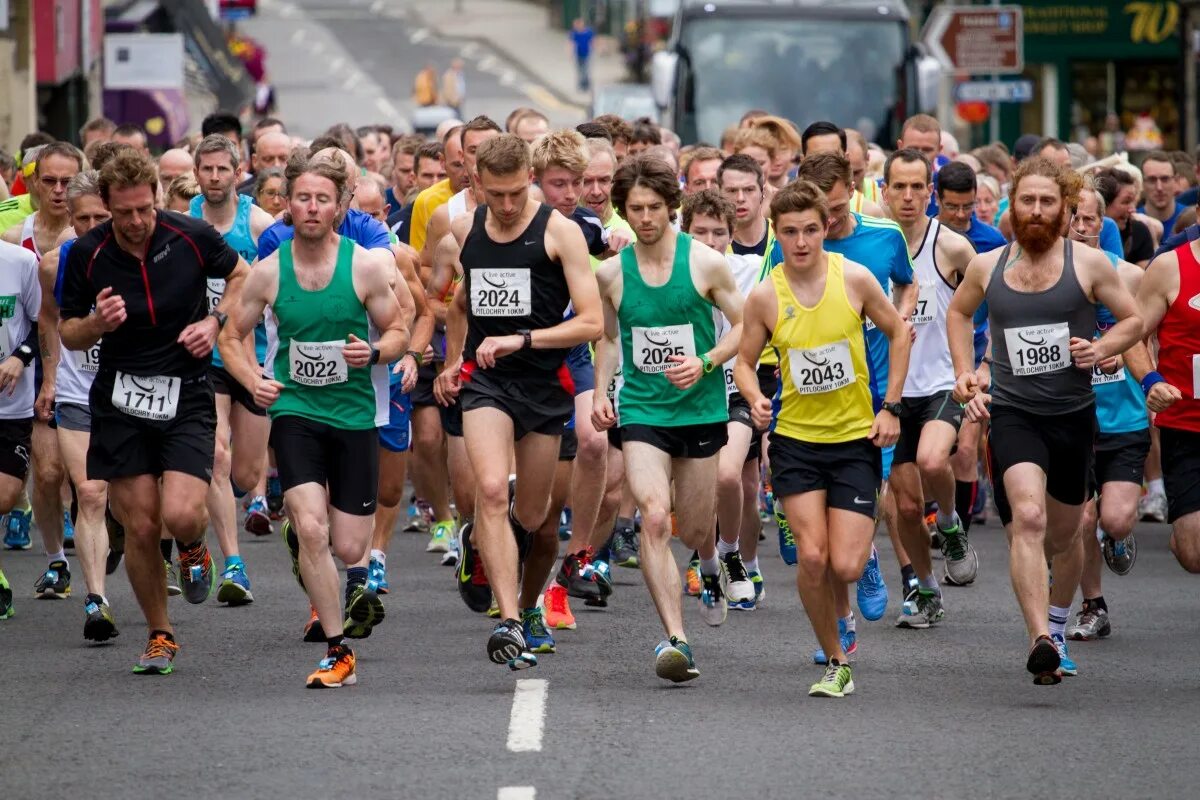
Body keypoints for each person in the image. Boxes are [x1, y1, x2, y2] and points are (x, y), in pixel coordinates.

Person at [947, 156, 1142, 685]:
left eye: (1046, 202)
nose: (1035, 211)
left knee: (1069, 531)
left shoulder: (1090, 266)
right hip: (1013, 414)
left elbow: (1134, 320)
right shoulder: (989, 266)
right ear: (1013, 205)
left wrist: (1101, 347)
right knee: (1027, 519)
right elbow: (960, 312)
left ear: (1065, 209)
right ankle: (1041, 638)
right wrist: (966, 372)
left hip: (1073, 416)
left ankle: (1059, 623)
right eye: (1026, 200)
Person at [219, 151, 409, 688]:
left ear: (338, 206)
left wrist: (373, 355)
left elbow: (397, 331)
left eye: (322, 199)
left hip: (354, 416)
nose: (310, 207)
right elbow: (231, 336)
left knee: (349, 547)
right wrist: (253, 378)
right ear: (287, 205)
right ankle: (336, 648)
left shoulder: (366, 266)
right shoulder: (269, 272)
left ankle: (323, 563)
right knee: (310, 525)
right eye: (301, 197)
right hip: (296, 411)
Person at [60, 148, 251, 675]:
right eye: (124, 213)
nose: (137, 222)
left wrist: (215, 323)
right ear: (106, 205)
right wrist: (96, 323)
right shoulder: (87, 254)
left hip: (185, 390)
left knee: (182, 513)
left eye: (145, 209)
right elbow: (68, 332)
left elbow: (244, 278)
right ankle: (160, 634)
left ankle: (193, 546)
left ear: (158, 199)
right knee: (141, 525)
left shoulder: (188, 235)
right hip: (121, 399)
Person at [734, 179, 910, 698]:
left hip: (855, 438)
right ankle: (836, 658)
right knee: (812, 558)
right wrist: (754, 398)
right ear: (777, 233)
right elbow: (745, 362)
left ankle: (858, 564)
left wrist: (892, 406)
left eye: (811, 229)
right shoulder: (766, 296)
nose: (802, 241)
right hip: (797, 442)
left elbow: (898, 330)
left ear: (826, 227)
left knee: (846, 564)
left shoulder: (854, 279)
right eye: (790, 232)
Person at [434, 134, 601, 669]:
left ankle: (519, 592)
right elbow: (458, 300)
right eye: (495, 194)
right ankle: (509, 623)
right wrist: (451, 362)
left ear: (530, 178)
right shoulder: (461, 230)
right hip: (487, 384)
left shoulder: (560, 232)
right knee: (489, 490)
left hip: (545, 384)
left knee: (532, 517)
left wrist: (522, 339)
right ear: (476, 181)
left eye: (516, 193)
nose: (506, 206)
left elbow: (592, 321)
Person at [592, 155, 744, 682]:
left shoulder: (705, 262)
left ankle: (707, 563)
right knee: (655, 516)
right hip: (643, 409)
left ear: (671, 206)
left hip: (700, 408)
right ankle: (677, 639)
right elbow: (611, 339)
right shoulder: (611, 273)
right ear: (624, 211)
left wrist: (705, 362)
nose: (646, 217)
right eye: (635, 209)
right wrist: (600, 392)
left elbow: (744, 328)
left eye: (655, 206)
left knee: (696, 526)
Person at [792, 151, 914, 660]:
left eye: (840, 210)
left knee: (872, 504)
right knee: (817, 538)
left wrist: (895, 318)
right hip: (811, 409)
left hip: (872, 399)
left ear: (853, 189)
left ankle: (863, 558)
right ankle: (840, 622)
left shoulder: (885, 237)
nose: (834, 222)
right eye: (827, 214)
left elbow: (906, 283)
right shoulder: (793, 246)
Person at [880, 148, 977, 624]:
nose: (908, 195)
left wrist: (977, 370)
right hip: (890, 392)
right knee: (906, 504)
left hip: (940, 382)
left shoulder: (952, 247)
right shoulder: (871, 244)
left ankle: (953, 523)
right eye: (899, 186)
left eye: (918, 186)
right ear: (883, 190)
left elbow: (986, 305)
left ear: (931, 194)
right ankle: (926, 588)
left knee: (933, 460)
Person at [1055, 183, 1150, 643]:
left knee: (1113, 519)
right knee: (1083, 519)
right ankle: (1094, 605)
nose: (1080, 226)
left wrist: (1115, 349)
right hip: (1070, 413)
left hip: (1123, 417)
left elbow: (1144, 336)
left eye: (1089, 218)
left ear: (1102, 224)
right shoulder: (1043, 276)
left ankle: (1120, 533)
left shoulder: (1128, 276)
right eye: (1072, 217)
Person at [187, 134, 277, 604]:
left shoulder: (259, 224)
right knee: (216, 456)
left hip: (252, 356)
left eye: (225, 169)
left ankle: (228, 509)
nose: (216, 177)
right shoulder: (183, 224)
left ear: (239, 172)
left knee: (244, 472)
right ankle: (233, 564)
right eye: (208, 169)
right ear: (196, 172)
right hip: (206, 358)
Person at [36, 170, 116, 639]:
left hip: (133, 392)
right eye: (81, 217)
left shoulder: (144, 258)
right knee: (89, 493)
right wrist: (49, 379)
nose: (90, 225)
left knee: (138, 507)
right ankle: (97, 599)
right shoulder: (55, 263)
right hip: (76, 391)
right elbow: (48, 320)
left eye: (99, 216)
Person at [680, 188, 763, 611]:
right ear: (683, 232)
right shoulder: (669, 271)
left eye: (719, 233)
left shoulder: (752, 268)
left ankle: (730, 553)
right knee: (689, 507)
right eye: (700, 233)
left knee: (729, 477)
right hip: (682, 398)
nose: (710, 242)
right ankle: (708, 561)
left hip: (734, 390)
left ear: (732, 236)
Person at [1138, 151, 1187, 236]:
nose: (1159, 187)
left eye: (1165, 179)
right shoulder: (1133, 223)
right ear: (1142, 183)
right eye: (1152, 180)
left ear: (1176, 181)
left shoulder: (1191, 220)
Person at [570, 18, 595, 92]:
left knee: (585, 70)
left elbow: (592, 41)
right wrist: (570, 53)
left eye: (577, 25)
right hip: (578, 54)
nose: (575, 27)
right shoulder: (574, 33)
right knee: (579, 70)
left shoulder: (588, 32)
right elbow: (571, 43)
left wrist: (596, 49)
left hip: (587, 54)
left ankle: (584, 85)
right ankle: (584, 84)